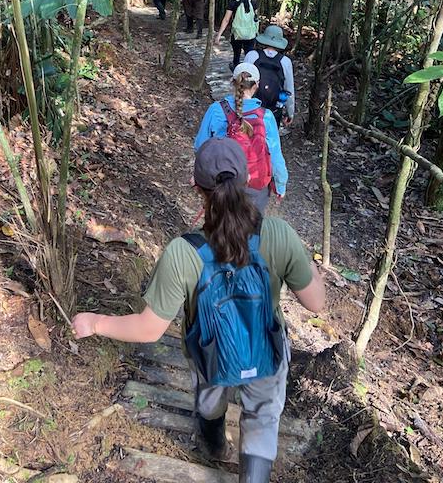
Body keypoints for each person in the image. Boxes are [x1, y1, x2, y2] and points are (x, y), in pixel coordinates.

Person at [72, 137, 325, 483]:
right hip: (265, 351)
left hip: (210, 354)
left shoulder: (183, 252)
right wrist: (312, 270)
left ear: (197, 187)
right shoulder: (279, 234)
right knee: (263, 417)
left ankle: (212, 444)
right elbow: (316, 303)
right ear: (248, 178)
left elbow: (149, 330)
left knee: (209, 399)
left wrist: (95, 322)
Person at [194, 63, 287, 213]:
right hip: (256, 186)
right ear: (257, 85)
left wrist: (201, 179)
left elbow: (200, 147)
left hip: (220, 182)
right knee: (252, 226)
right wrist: (280, 185)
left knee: (220, 224)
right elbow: (275, 156)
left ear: (233, 82)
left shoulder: (216, 110)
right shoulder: (266, 116)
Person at [244, 25, 294, 127]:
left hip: (251, 107)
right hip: (274, 110)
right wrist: (290, 113)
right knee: (269, 138)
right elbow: (289, 90)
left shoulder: (252, 55)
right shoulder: (285, 62)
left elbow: (242, 81)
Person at [214, 0, 258, 70]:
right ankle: (249, 72)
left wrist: (219, 35)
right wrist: (257, 32)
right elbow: (256, 18)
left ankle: (235, 69)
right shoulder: (253, 2)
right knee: (249, 54)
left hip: (237, 34)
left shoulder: (233, 3)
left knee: (236, 54)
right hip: (250, 34)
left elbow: (226, 20)